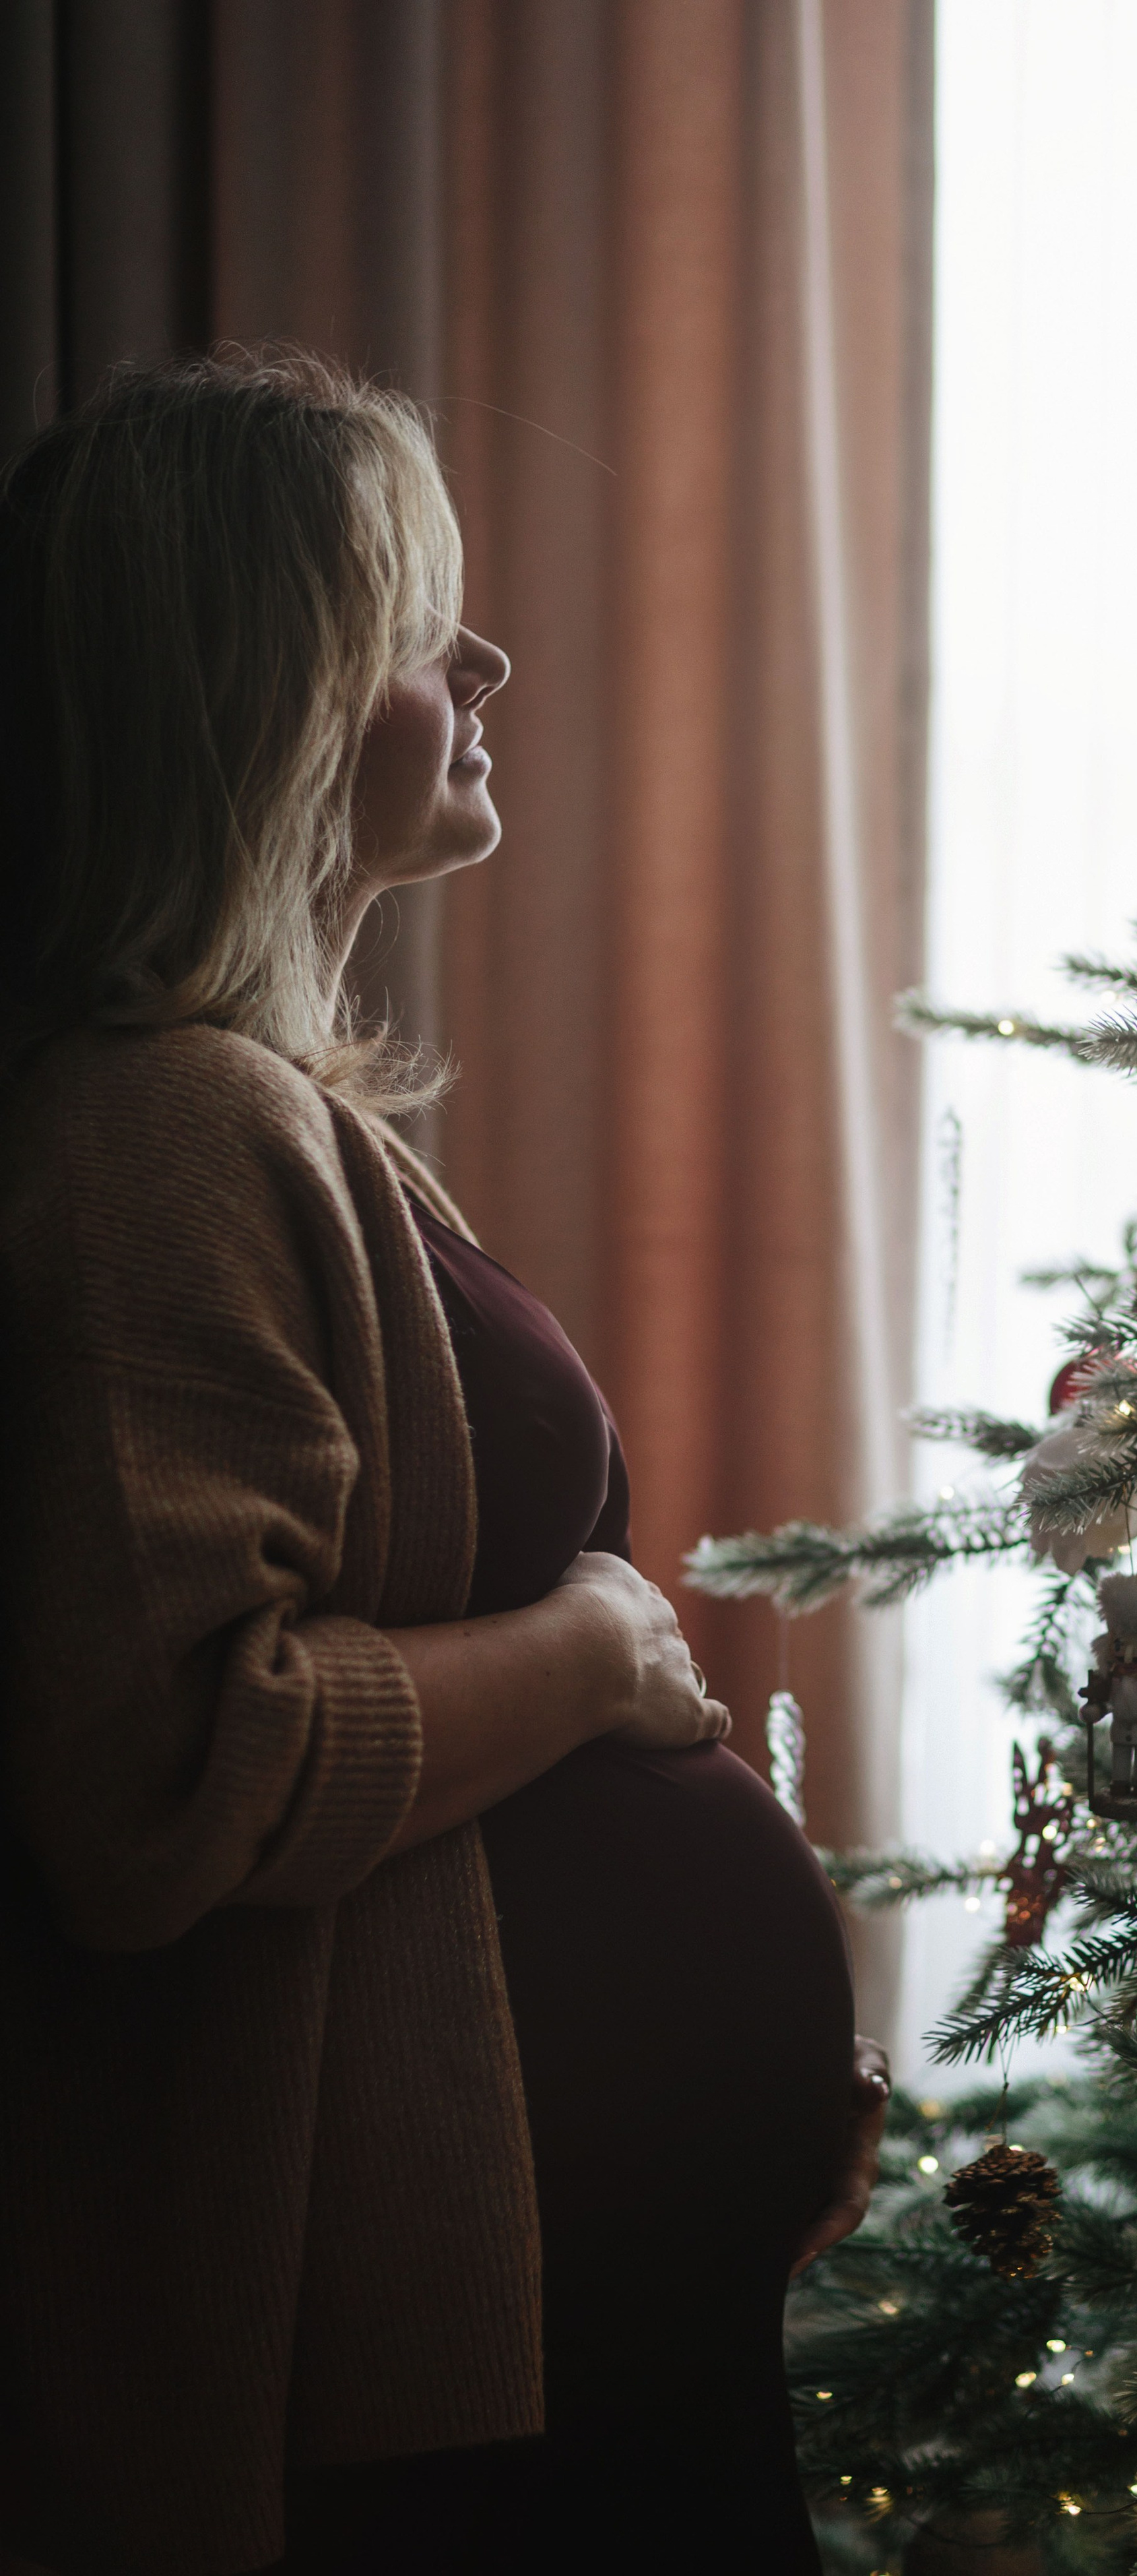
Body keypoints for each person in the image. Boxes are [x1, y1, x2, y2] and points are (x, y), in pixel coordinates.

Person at [0, 349, 889, 2576]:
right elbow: (182, 1774)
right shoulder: (156, 1130)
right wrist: (592, 1655)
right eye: (418, 626)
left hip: (556, 2330)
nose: (485, 665)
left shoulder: (270, 1114)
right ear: (268, 697)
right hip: (416, 2391)